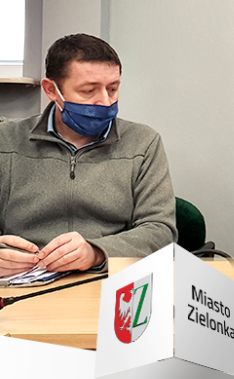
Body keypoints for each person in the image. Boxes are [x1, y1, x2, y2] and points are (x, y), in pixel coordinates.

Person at [0, 33, 177, 276]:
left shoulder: (143, 143)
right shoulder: (6, 141)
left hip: (106, 278)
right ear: (52, 90)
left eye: (112, 89)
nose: (105, 101)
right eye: (89, 90)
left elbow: (161, 231)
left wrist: (97, 252)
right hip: (21, 280)